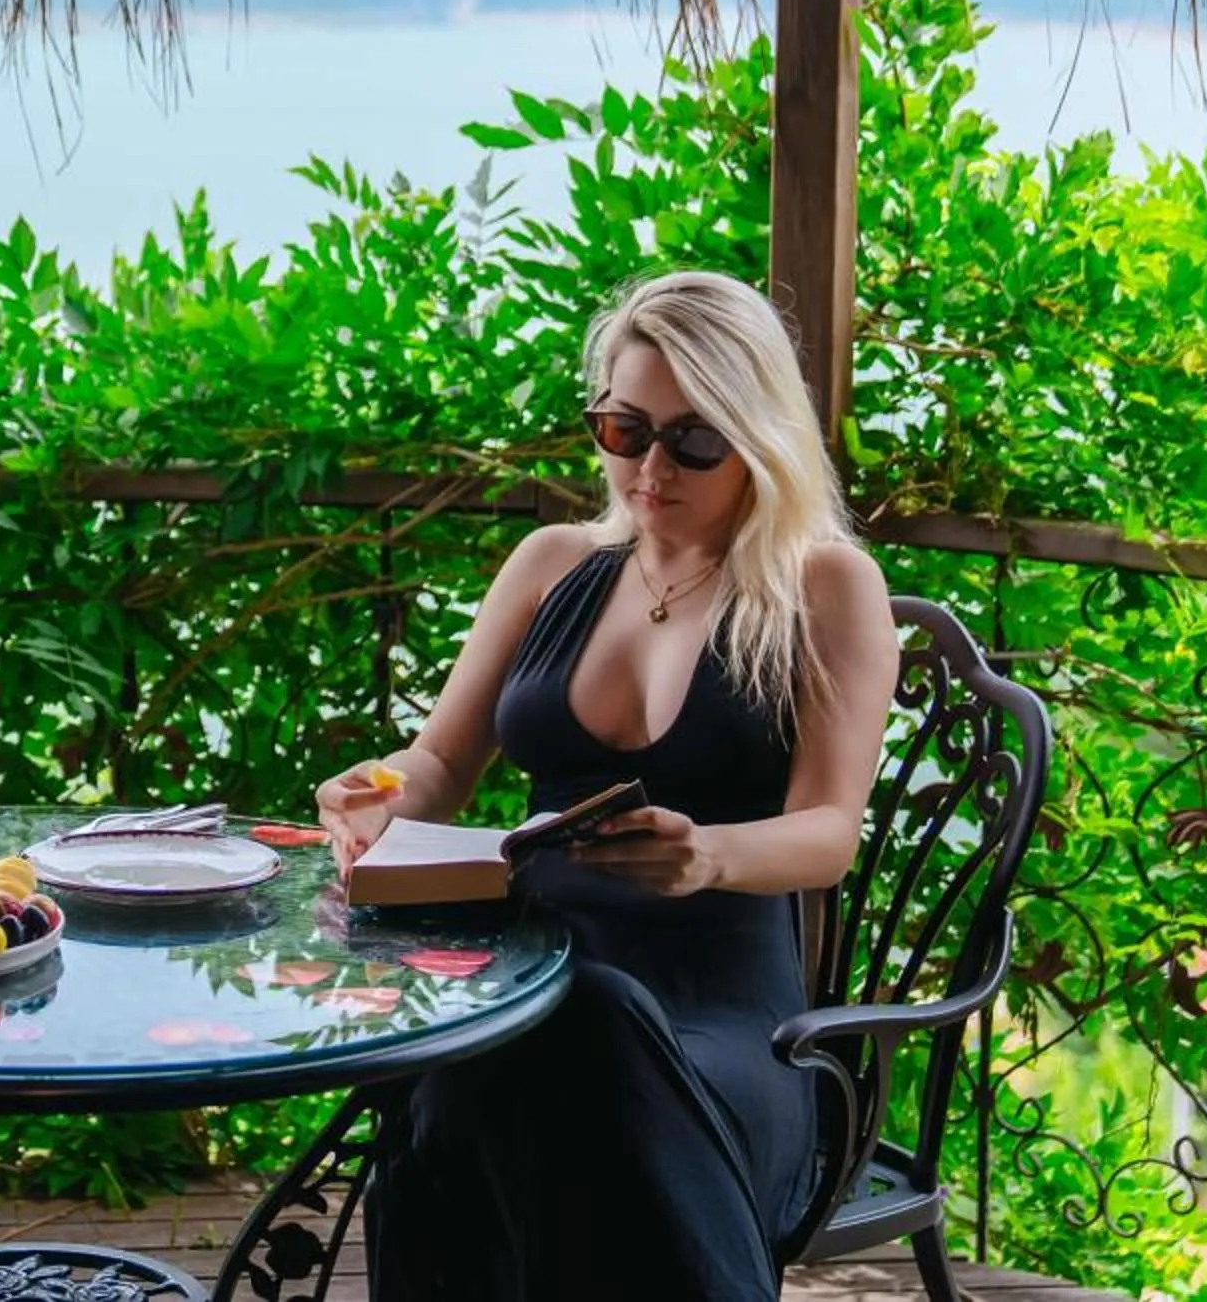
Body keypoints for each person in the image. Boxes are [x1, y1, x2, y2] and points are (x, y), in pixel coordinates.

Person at [317, 269, 900, 1302]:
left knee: (548, 1031)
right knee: (500, 1035)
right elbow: (442, 764)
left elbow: (829, 831)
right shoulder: (552, 565)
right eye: (626, 431)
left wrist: (709, 853)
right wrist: (376, 787)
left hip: (719, 1023)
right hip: (534, 980)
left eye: (695, 441)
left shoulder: (823, 587)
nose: (652, 470)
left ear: (758, 438)